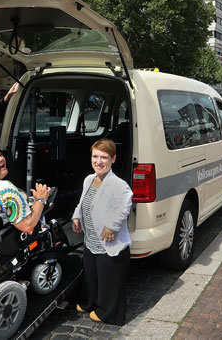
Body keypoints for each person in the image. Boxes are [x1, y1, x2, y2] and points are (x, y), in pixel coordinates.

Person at [72, 139, 132, 325]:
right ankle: (89, 302)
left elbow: (124, 207)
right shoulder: (89, 179)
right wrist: (76, 217)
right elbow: (82, 202)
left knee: (109, 280)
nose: (99, 161)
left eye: (104, 157)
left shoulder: (118, 184)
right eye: (95, 156)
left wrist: (112, 226)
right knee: (91, 276)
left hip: (109, 243)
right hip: (91, 240)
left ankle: (108, 312)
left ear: (113, 159)